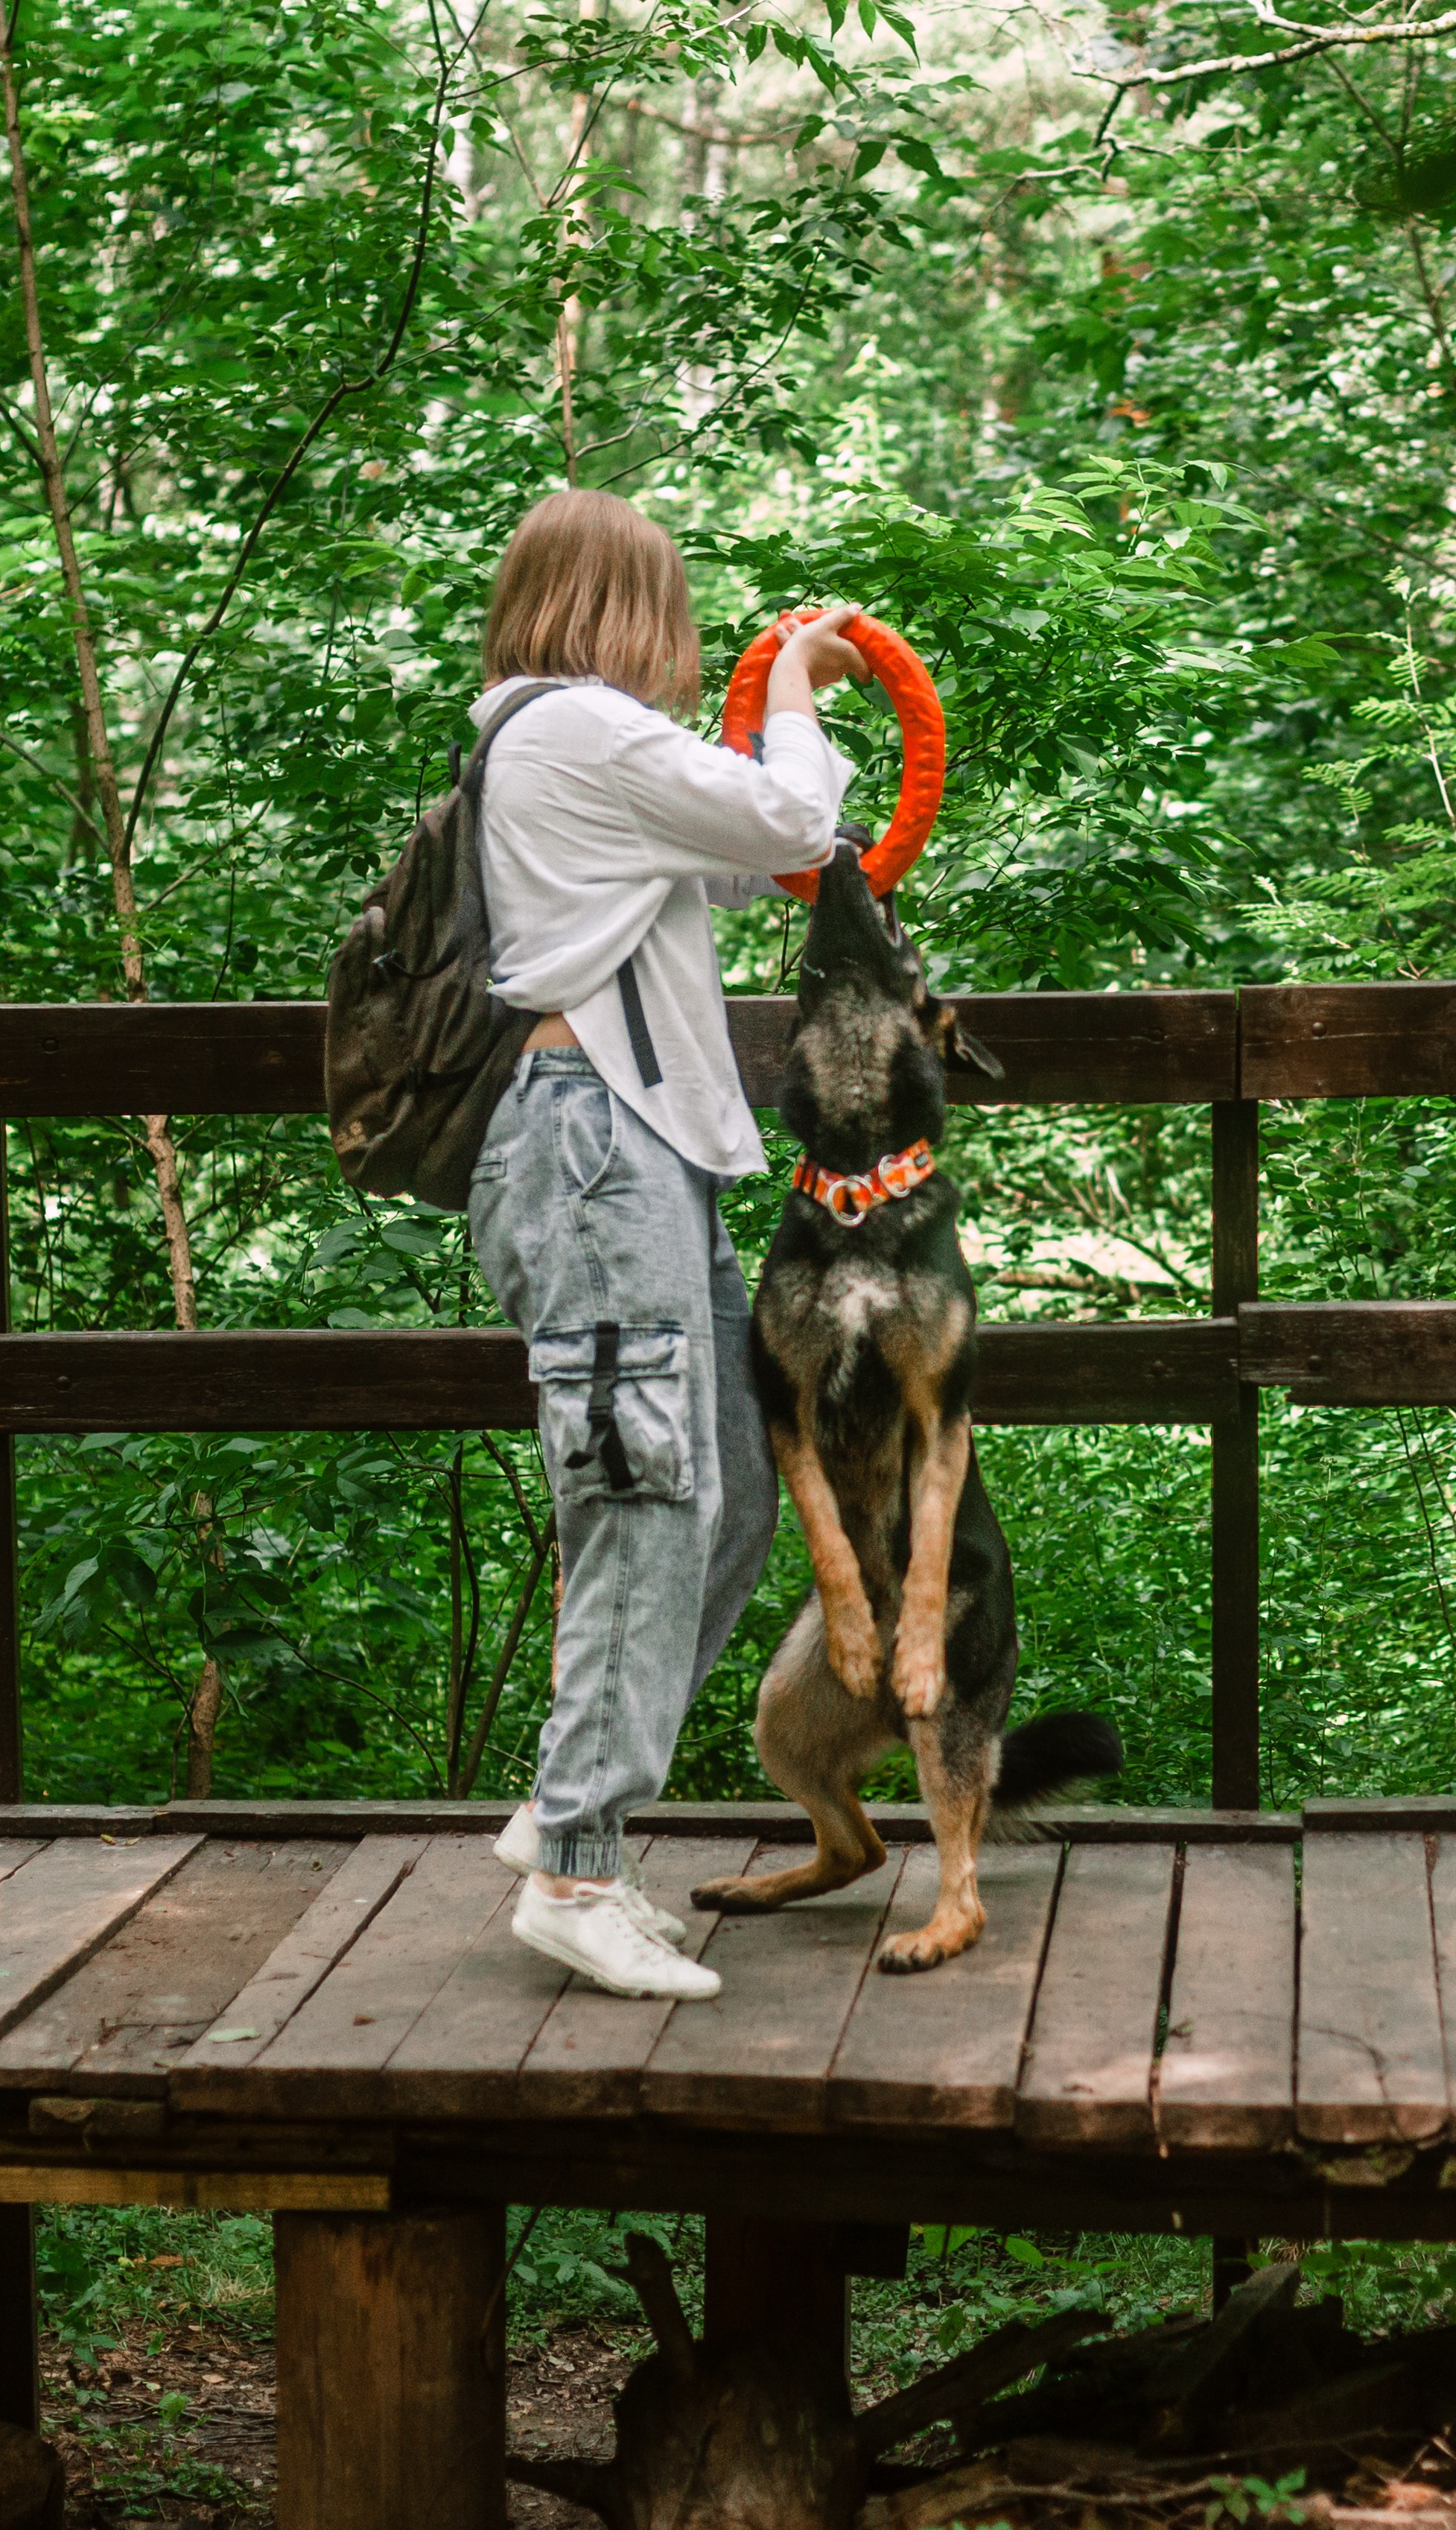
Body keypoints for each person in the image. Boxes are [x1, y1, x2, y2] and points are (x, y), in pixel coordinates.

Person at [467, 486, 867, 2000]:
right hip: (594, 1155)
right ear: (625, 609)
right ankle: (577, 1863)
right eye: (679, 616)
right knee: (646, 1490)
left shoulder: (570, 750)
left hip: (642, 1155)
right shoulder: (572, 729)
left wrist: (779, 706)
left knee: (734, 1491)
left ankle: (564, 1808)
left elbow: (749, 853)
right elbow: (794, 820)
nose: (694, 648)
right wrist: (786, 690)